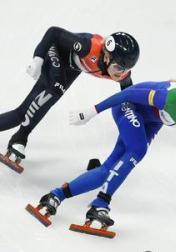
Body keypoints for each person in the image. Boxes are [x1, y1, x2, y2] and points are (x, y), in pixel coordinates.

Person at [26, 81, 176, 230]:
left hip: (152, 121)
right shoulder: (170, 99)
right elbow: (129, 94)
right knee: (138, 149)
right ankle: (100, 204)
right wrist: (92, 111)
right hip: (128, 107)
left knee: (109, 170)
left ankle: (56, 195)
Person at [0, 27, 139, 172]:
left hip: (72, 67)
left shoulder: (122, 74)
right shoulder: (88, 47)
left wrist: (133, 119)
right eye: (118, 67)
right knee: (48, 93)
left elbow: (129, 96)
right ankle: (20, 137)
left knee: (44, 102)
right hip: (57, 50)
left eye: (126, 69)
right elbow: (53, 33)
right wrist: (38, 59)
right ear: (106, 57)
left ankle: (20, 137)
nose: (121, 73)